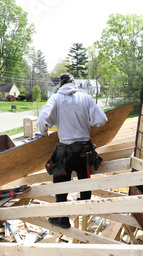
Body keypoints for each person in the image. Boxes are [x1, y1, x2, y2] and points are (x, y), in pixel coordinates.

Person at [37, 73, 107, 229]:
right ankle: (84, 210)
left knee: (60, 183)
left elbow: (42, 120)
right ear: (74, 83)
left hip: (65, 152)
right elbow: (102, 120)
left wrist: (44, 131)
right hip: (85, 150)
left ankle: (62, 219)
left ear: (60, 85)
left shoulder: (55, 98)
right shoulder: (86, 98)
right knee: (85, 180)